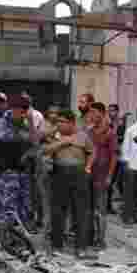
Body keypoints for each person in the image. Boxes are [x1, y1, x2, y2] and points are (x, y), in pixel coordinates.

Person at [43, 109, 93, 258]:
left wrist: (88, 167)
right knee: (58, 211)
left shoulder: (83, 136)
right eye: (58, 122)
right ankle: (57, 245)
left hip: (79, 175)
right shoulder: (54, 136)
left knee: (80, 211)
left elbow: (91, 151)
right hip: (59, 173)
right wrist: (63, 142)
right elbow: (45, 150)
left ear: (71, 123)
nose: (59, 124)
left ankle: (81, 247)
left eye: (62, 122)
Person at [0, 94, 38, 233]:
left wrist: (30, 123)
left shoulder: (24, 123)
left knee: (23, 209)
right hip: (7, 173)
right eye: (22, 111)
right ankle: (4, 242)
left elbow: (34, 142)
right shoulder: (2, 122)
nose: (24, 114)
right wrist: (27, 138)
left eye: (26, 111)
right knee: (7, 209)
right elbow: (4, 138)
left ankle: (19, 240)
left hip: (22, 173)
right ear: (13, 109)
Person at [86, 101, 118, 247]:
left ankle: (101, 239)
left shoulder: (110, 133)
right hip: (89, 175)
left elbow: (114, 156)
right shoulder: (90, 131)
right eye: (90, 112)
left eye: (94, 112)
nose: (91, 115)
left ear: (101, 113)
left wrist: (110, 176)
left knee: (101, 210)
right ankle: (91, 236)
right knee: (90, 209)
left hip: (102, 175)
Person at [107, 104, 126, 215]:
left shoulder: (121, 125)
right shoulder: (108, 124)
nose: (110, 113)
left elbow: (120, 138)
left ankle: (125, 206)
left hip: (120, 158)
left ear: (117, 112)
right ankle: (108, 206)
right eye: (109, 111)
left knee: (120, 183)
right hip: (110, 157)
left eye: (113, 111)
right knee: (110, 182)